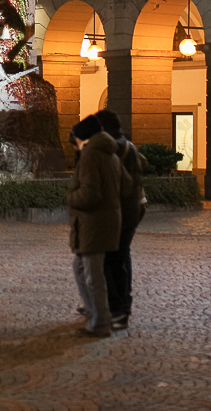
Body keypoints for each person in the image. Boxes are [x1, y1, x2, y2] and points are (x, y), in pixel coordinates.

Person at [67, 114, 122, 338]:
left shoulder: (90, 155)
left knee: (92, 276)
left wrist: (70, 196)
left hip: (93, 223)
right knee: (82, 269)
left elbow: (90, 194)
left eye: (77, 141)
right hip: (105, 221)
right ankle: (95, 315)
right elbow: (126, 186)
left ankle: (99, 323)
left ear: (83, 138)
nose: (76, 146)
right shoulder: (112, 155)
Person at [96, 109, 144, 332]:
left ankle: (118, 309)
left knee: (111, 260)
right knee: (120, 257)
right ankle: (118, 305)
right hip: (133, 209)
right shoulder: (129, 145)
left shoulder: (113, 148)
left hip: (120, 211)